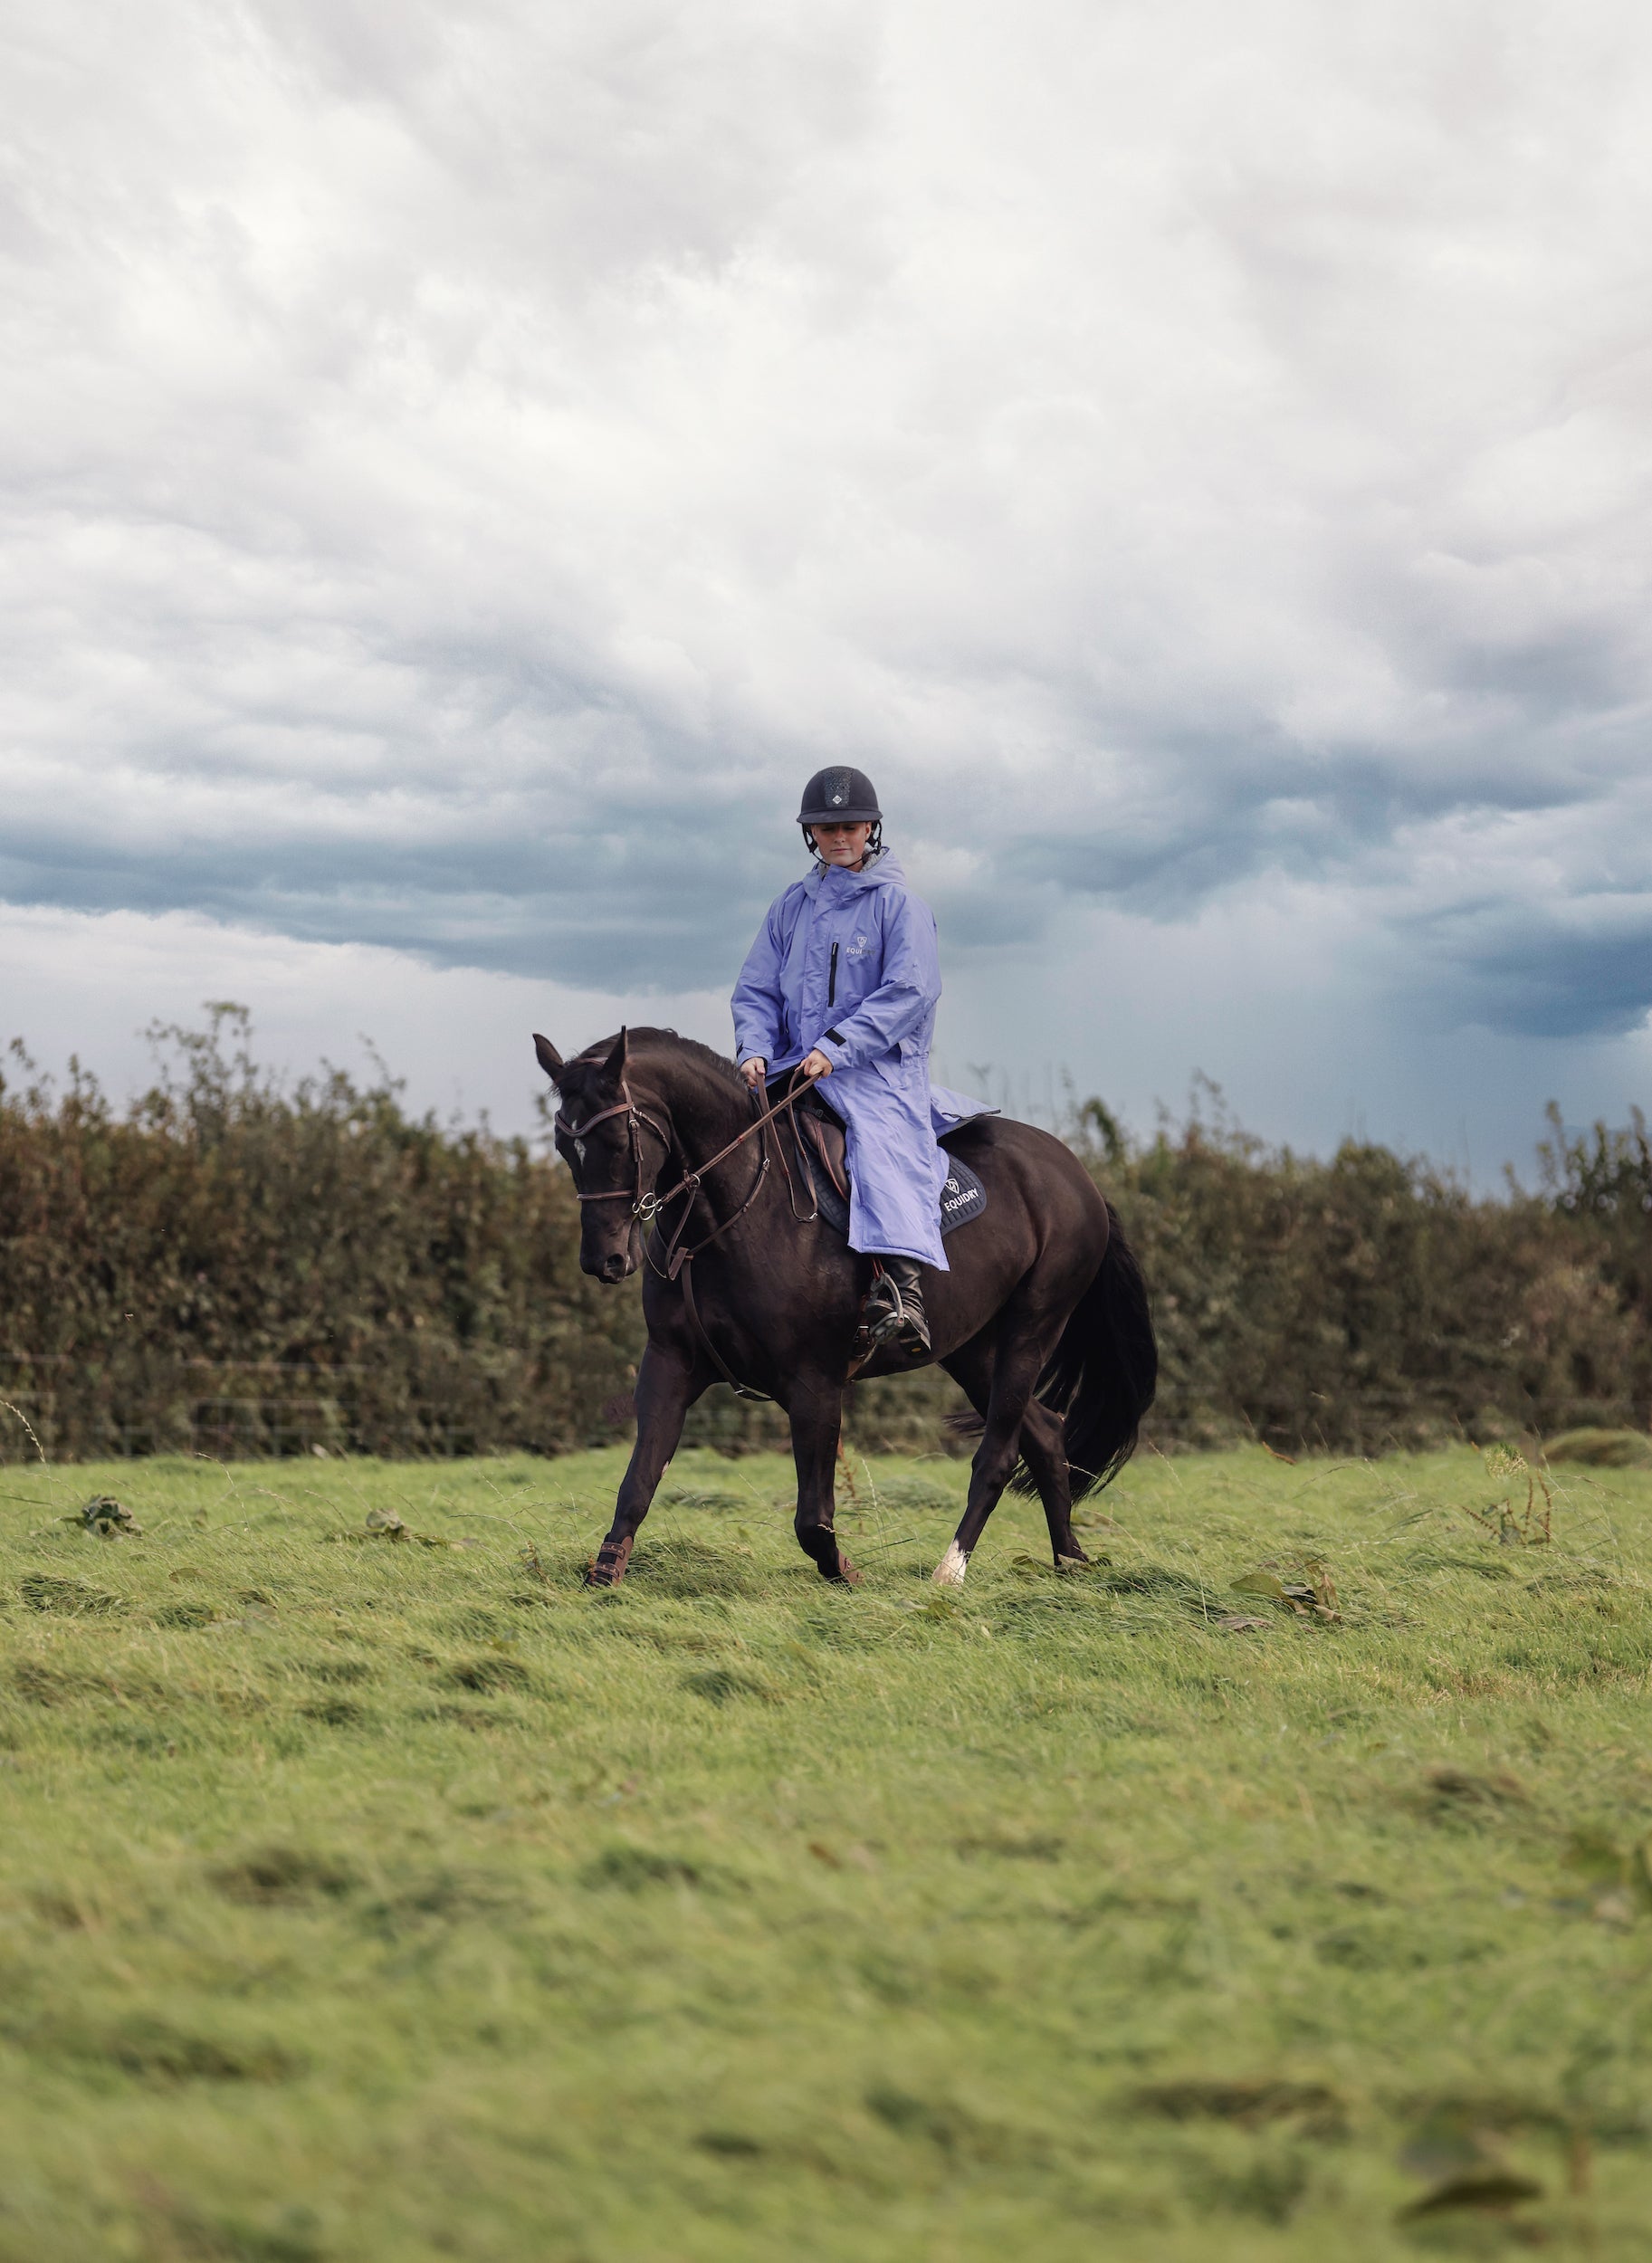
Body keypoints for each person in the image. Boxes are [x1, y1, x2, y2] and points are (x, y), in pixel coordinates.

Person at [731, 766, 977, 1357]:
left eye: (850, 826)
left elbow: (910, 991)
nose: (838, 837)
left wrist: (836, 1049)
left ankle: (902, 1290)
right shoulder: (789, 907)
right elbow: (756, 989)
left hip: (876, 1070)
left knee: (876, 1145)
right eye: (826, 828)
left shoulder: (901, 907)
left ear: (870, 829)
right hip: (793, 1064)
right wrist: (754, 1050)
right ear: (810, 834)